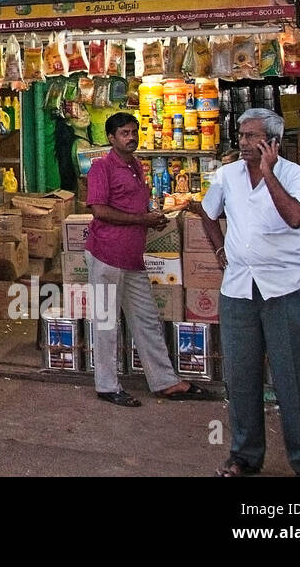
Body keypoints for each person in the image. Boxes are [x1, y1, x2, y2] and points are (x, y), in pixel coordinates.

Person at [194, 107, 300, 477]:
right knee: (241, 378)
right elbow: (206, 212)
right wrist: (220, 251)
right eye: (241, 135)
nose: (244, 141)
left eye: (252, 136)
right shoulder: (227, 175)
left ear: (273, 142)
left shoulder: (296, 175)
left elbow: (296, 217)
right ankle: (244, 457)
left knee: (295, 380)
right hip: (238, 289)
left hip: (286, 288)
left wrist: (268, 173)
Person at [84, 112, 206, 406]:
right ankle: (106, 385)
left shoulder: (137, 166)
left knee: (147, 320)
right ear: (111, 138)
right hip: (105, 254)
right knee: (106, 323)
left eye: (134, 132)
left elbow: (135, 208)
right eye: (124, 133)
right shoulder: (101, 168)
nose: (131, 137)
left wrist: (152, 220)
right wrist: (142, 219)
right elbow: (99, 210)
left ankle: (165, 381)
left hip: (133, 257)